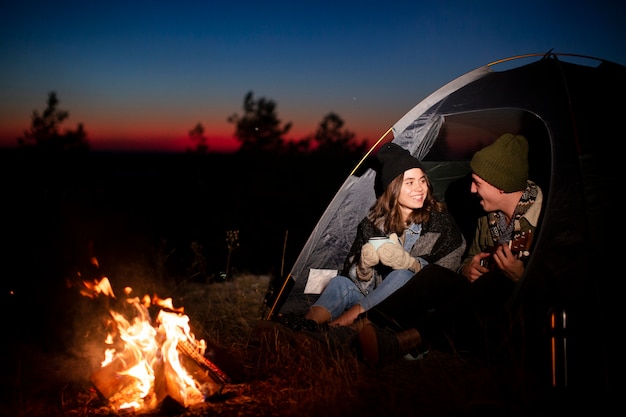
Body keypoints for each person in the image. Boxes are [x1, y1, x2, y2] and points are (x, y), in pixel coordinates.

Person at [356, 133, 544, 368]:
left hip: (519, 318)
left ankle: (402, 342)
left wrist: (521, 277)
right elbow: (468, 258)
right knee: (433, 275)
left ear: (501, 186)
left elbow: (565, 289)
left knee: (496, 282)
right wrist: (467, 269)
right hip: (477, 304)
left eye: (478, 183)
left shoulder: (546, 220)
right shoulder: (489, 220)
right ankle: (357, 330)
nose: (473, 191)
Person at [277, 142, 466, 332]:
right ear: (393, 187)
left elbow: (445, 275)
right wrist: (364, 267)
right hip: (374, 297)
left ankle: (338, 331)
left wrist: (412, 264)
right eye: (410, 182)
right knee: (340, 283)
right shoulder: (373, 224)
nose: (420, 188)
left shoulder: (439, 221)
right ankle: (306, 326)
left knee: (402, 273)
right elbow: (354, 275)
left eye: (422, 180)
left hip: (412, 305)